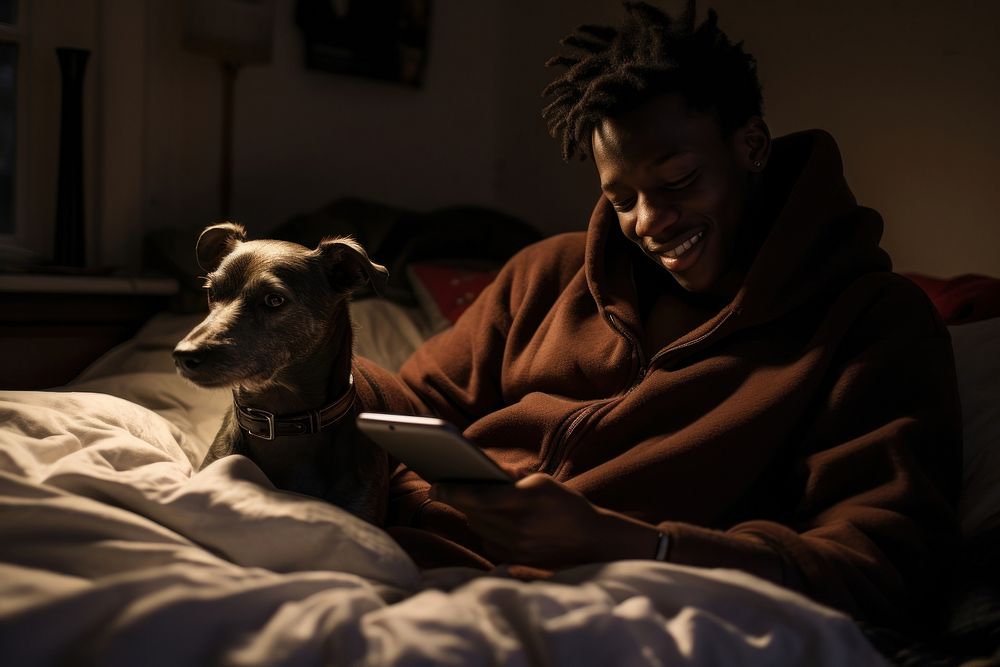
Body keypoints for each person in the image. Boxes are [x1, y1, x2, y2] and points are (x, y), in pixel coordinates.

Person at [350, 0, 961, 632]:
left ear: (750, 145)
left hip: (607, 610)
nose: (647, 222)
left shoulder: (869, 323)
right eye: (621, 199)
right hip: (412, 566)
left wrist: (631, 544)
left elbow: (880, 567)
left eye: (678, 182)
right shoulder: (547, 274)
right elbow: (408, 410)